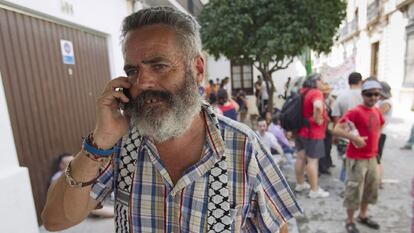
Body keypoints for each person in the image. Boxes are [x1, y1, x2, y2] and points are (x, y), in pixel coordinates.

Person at [41, 7, 301, 233]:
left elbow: (276, 227)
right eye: (132, 71)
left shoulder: (243, 147)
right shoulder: (118, 146)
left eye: (159, 66)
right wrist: (100, 141)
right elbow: (55, 221)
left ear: (197, 69)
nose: (142, 83)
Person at [333, 79, 384, 233]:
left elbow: (380, 125)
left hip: (372, 158)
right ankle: (349, 221)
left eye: (377, 94)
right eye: (370, 94)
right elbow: (336, 129)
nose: (373, 97)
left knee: (369, 189)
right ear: (363, 95)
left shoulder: (376, 111)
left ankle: (363, 216)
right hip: (357, 159)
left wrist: (374, 146)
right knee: (354, 190)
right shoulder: (355, 112)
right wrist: (355, 139)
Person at [294, 73, 330, 198]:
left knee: (300, 158)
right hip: (313, 133)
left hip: (300, 130)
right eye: (322, 80)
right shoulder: (315, 92)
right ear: (317, 81)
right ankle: (314, 190)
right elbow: (318, 106)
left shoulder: (302, 91)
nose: (323, 83)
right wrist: (318, 119)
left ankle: (300, 183)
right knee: (313, 161)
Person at [50, 153, 114, 218]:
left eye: (72, 162)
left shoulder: (74, 173)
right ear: (61, 165)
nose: (71, 165)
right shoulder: (58, 177)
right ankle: (113, 213)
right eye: (68, 163)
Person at [332, 72, 363, 182]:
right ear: (360, 81)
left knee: (346, 161)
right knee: (361, 162)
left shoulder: (342, 96)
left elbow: (336, 117)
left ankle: (346, 184)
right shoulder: (365, 95)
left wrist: (335, 135)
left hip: (345, 135)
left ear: (349, 82)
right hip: (362, 136)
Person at [376, 81, 392, 187]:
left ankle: (378, 181)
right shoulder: (382, 101)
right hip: (378, 132)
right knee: (376, 158)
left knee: (376, 158)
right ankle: (378, 181)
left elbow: (376, 114)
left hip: (380, 133)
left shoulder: (386, 102)